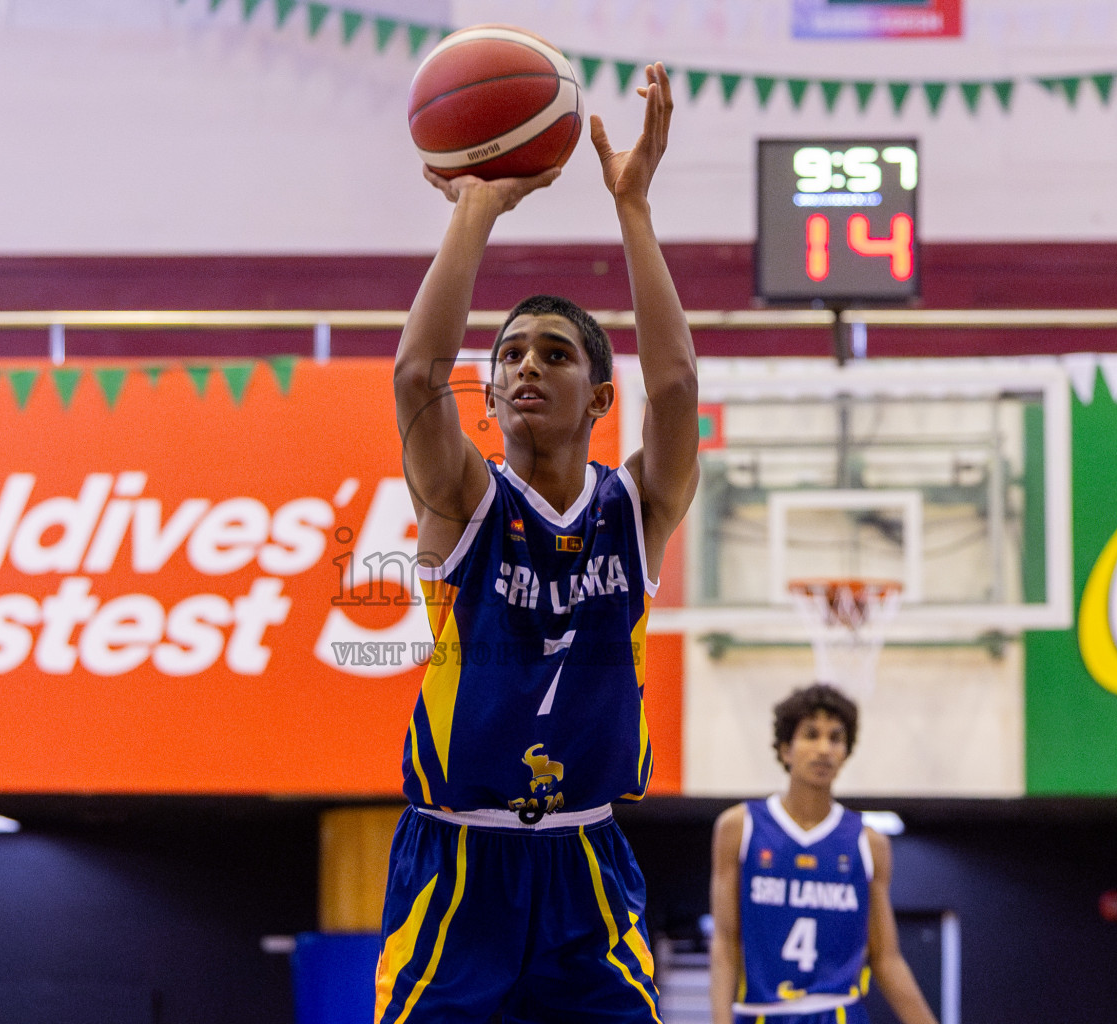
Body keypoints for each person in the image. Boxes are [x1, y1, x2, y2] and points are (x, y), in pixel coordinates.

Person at [374, 62, 697, 1024]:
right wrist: (475, 208)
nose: (524, 367)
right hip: (458, 862)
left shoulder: (635, 505)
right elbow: (414, 375)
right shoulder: (463, 499)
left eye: (553, 354)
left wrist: (631, 206)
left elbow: (675, 389)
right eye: (509, 353)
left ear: (600, 398)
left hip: (586, 863)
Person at [708, 685, 939, 1024]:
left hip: (839, 1014)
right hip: (761, 1012)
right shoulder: (739, 827)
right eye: (811, 735)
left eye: (835, 738)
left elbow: (886, 958)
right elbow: (725, 945)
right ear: (786, 749)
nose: (824, 749)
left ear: (846, 752)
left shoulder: (868, 842)